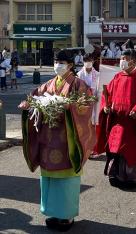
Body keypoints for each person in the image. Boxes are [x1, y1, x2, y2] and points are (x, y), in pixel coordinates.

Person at [18, 50, 95, 231]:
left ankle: (66, 216)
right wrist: (28, 104)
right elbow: (35, 96)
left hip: (67, 139)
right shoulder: (49, 84)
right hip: (48, 138)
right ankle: (53, 212)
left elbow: (86, 105)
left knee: (66, 180)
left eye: (62, 62)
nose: (58, 65)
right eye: (56, 61)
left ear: (70, 65)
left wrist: (70, 107)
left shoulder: (78, 84)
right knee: (49, 179)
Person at [96, 49, 136, 188]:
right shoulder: (117, 77)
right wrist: (106, 107)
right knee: (115, 148)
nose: (122, 61)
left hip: (132, 124)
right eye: (121, 58)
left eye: (125, 58)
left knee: (130, 149)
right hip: (117, 122)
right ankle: (114, 176)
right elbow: (107, 95)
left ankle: (132, 178)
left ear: (133, 61)